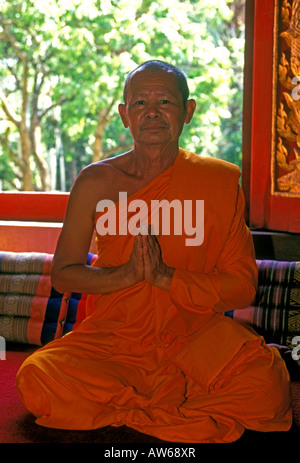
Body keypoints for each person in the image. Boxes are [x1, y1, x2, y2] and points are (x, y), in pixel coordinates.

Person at [16, 60, 292, 443]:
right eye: (140, 103)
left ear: (188, 111)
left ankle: (135, 409)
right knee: (38, 375)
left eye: (165, 101)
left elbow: (242, 287)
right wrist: (125, 276)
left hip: (195, 334)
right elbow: (64, 273)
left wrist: (167, 278)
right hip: (114, 338)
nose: (152, 113)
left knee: (268, 385)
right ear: (124, 115)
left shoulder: (219, 182)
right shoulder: (96, 182)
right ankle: (171, 410)